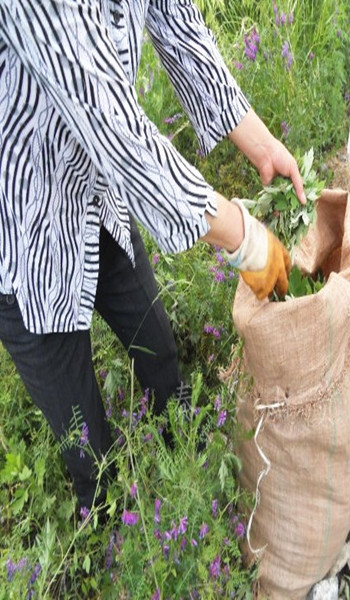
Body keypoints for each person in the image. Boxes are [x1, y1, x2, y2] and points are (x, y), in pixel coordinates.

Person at [0, 1, 305, 512]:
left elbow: (178, 23)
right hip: (26, 235)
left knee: (161, 353)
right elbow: (115, 133)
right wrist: (243, 238)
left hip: (98, 202)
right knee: (87, 446)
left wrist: (261, 144)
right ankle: (105, 523)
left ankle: (185, 462)